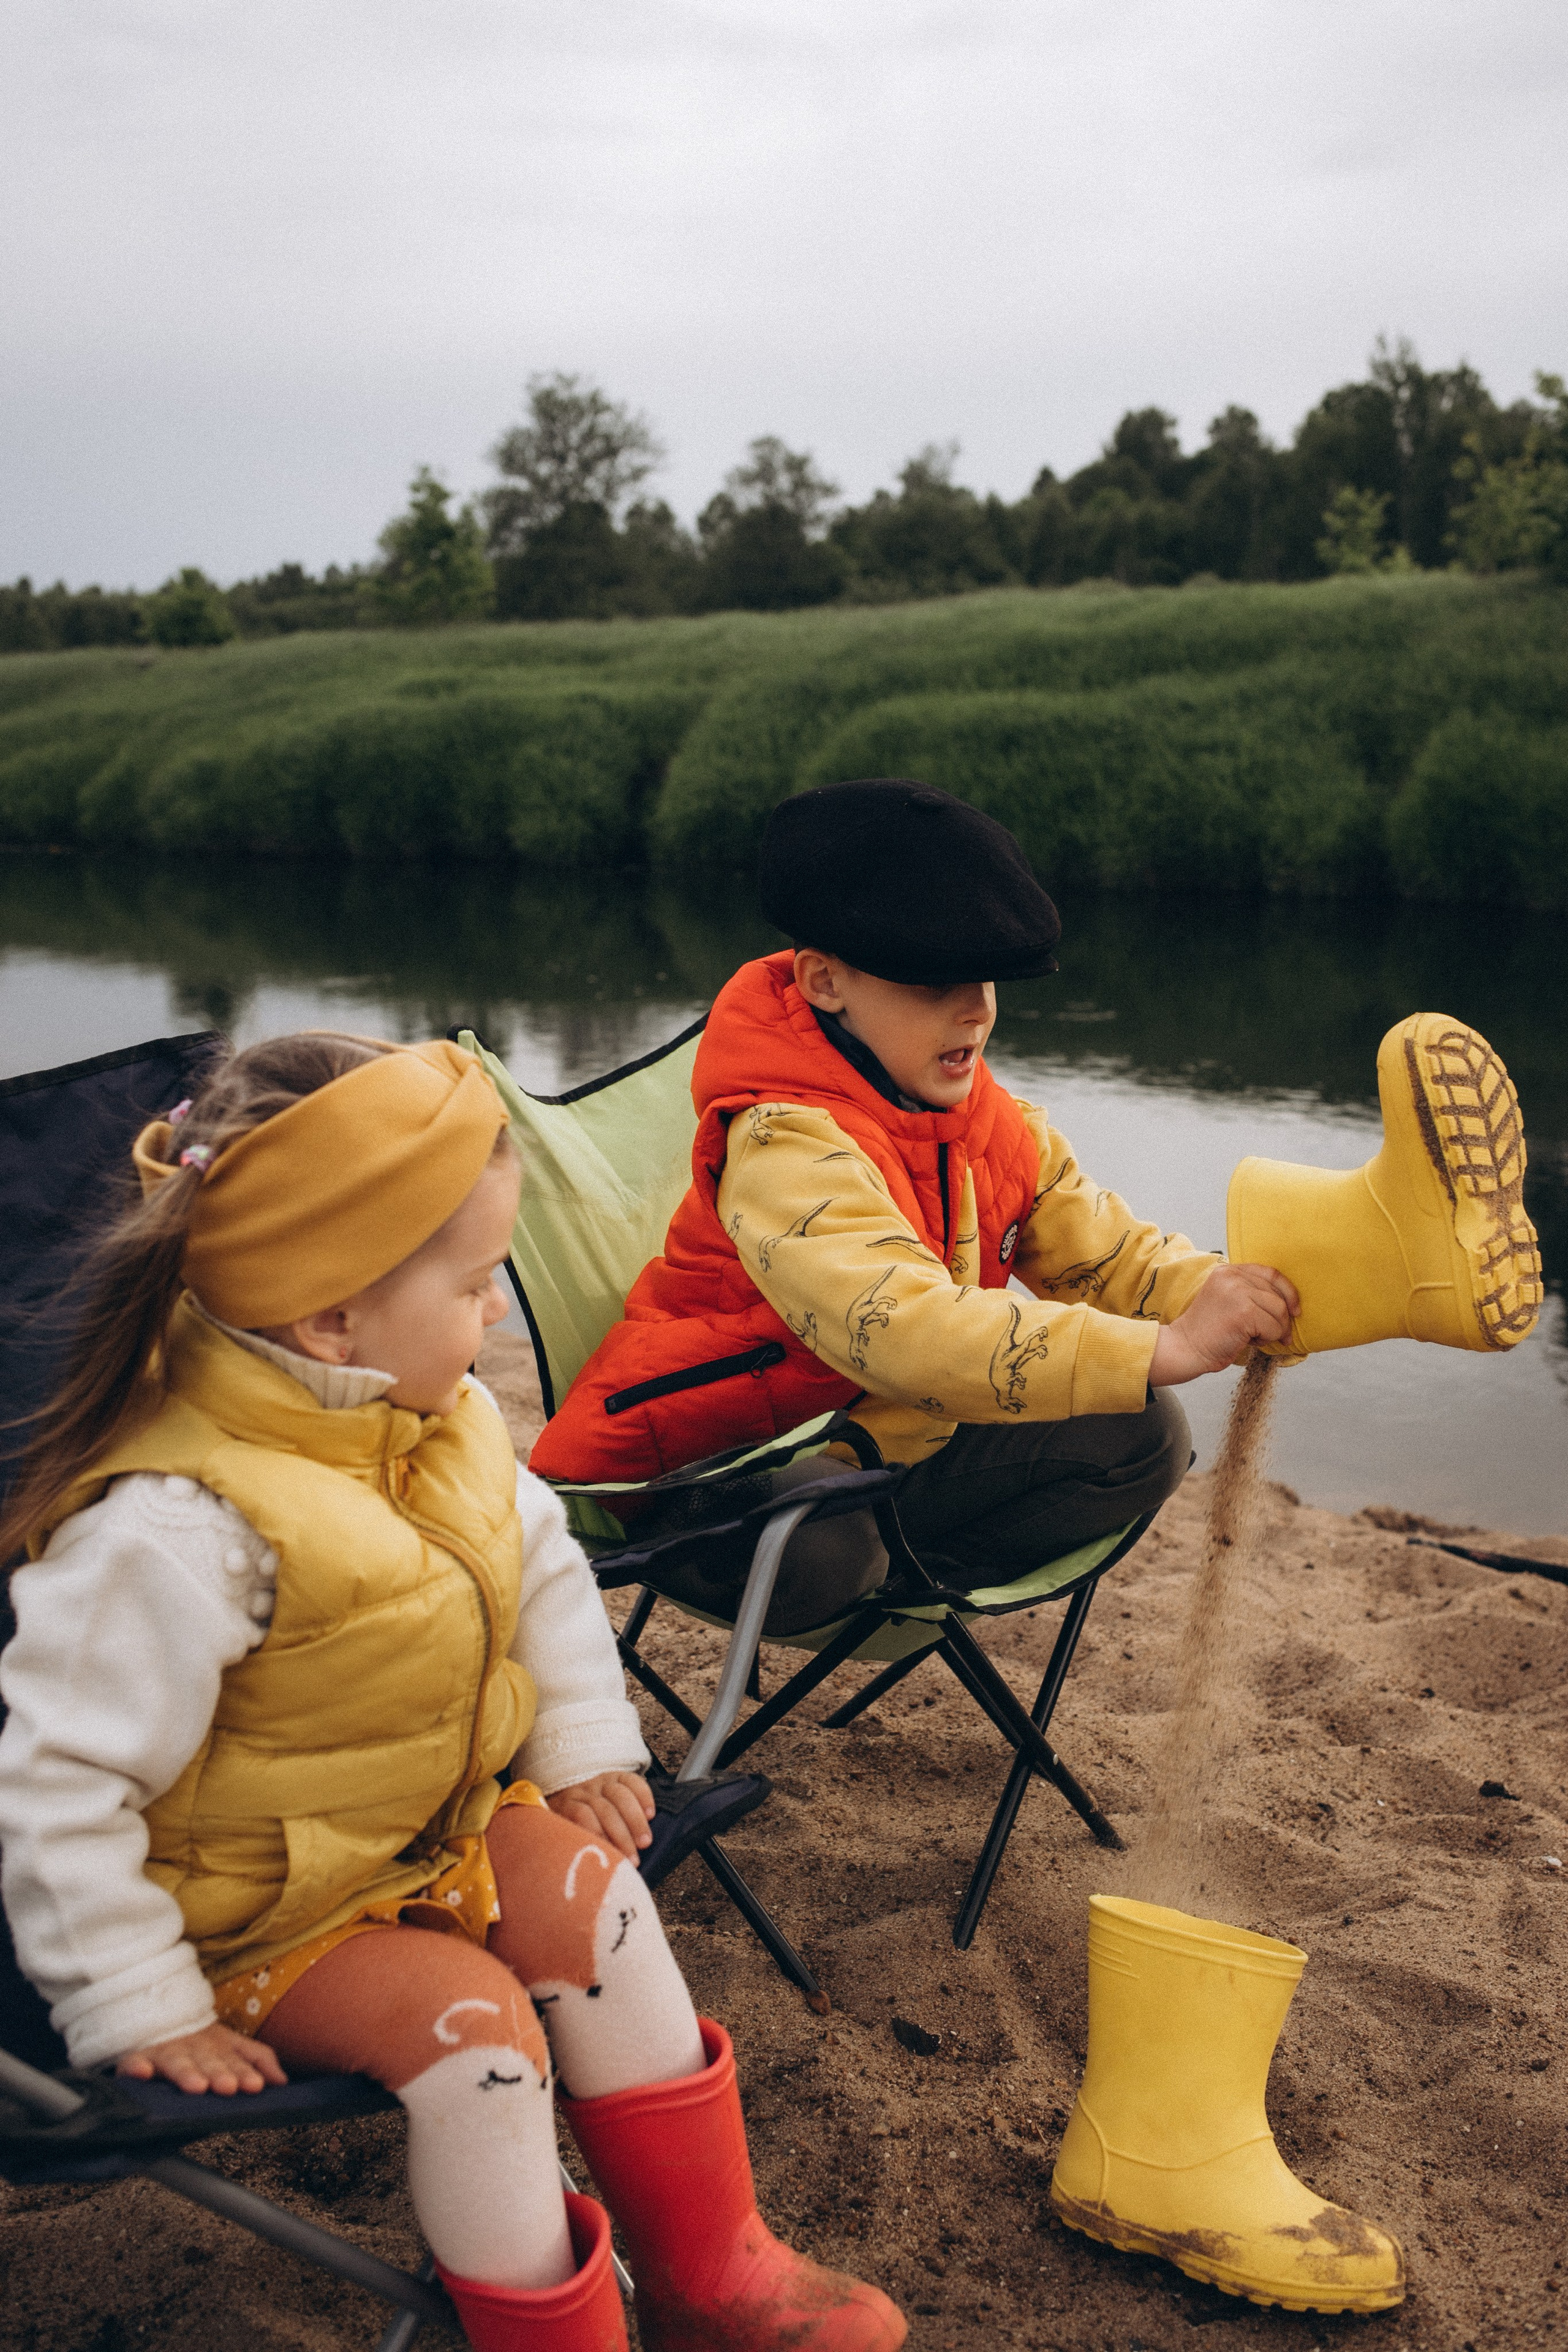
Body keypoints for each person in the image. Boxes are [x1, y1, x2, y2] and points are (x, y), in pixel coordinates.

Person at [0, 1033, 905, 2352]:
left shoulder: (445, 1422)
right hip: (254, 1913)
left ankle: (715, 2276)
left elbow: (538, 1571)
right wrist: (141, 2000)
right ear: (332, 1319)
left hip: (429, 1825)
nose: (496, 1315)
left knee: (597, 1900)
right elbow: (55, 1784)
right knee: (475, 2036)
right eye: (477, 1281)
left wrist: (587, 1741)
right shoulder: (175, 1528)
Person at [529, 778, 1299, 1630]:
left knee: (1144, 1434)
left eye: (988, 981)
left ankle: (908, 1584)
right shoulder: (783, 1144)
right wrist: (1166, 1345)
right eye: (935, 985)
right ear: (826, 982)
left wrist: (1239, 1296)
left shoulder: (989, 1125)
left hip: (878, 1445)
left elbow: (1104, 1255)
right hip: (716, 1462)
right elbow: (904, 1330)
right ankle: (869, 1566)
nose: (975, 1009)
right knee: (823, 1540)